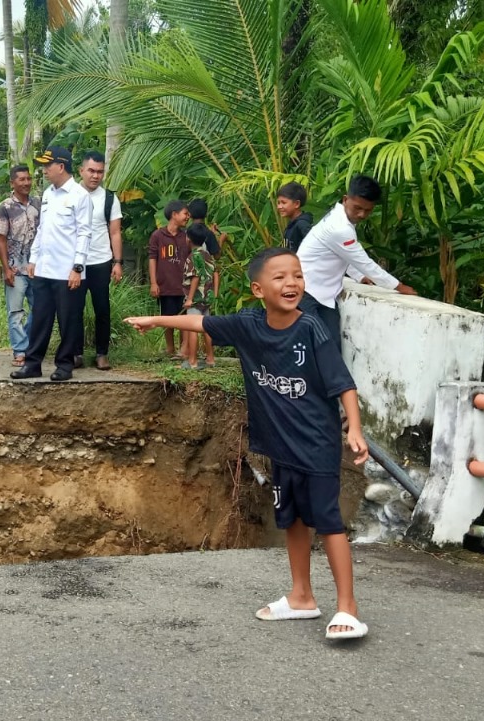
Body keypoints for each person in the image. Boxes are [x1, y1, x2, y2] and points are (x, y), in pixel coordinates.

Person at [125, 247, 371, 641]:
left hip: (317, 444)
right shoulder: (249, 325)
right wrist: (154, 320)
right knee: (290, 520)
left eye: (297, 275)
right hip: (280, 445)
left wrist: (354, 429)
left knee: (328, 523)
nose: (291, 283)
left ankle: (348, 607)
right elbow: (202, 324)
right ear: (258, 289)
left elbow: (343, 383)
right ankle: (301, 596)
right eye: (280, 277)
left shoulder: (311, 329)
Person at [296, 174, 416, 348]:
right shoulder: (339, 228)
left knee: (329, 346)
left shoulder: (339, 218)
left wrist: (359, 276)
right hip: (306, 292)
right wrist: (399, 287)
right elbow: (364, 263)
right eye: (358, 208)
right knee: (320, 347)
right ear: (346, 199)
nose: (362, 214)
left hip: (321, 293)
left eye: (368, 210)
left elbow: (343, 254)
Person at [10, 146, 92, 382]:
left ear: (61, 166)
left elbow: (84, 234)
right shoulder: (47, 194)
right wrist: (34, 259)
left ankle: (64, 365)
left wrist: (78, 268)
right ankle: (33, 363)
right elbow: (43, 230)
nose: (44, 170)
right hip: (44, 269)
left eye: (47, 166)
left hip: (68, 271)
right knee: (40, 318)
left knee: (68, 320)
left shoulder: (79, 195)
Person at [74, 151, 123, 370]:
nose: (95, 176)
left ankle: (102, 353)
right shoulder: (70, 195)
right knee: (73, 309)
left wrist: (118, 262)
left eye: (100, 172)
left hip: (101, 261)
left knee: (102, 308)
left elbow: (115, 232)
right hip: (74, 263)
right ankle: (75, 353)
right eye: (91, 171)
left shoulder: (110, 198)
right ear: (81, 171)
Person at [0, 164, 39, 367]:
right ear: (12, 182)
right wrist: (6, 268)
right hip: (15, 267)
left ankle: (30, 346)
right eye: (21, 179)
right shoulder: (5, 207)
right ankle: (20, 350)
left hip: (37, 267)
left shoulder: (39, 203)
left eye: (28, 179)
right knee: (16, 311)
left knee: (40, 309)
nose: (26, 182)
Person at [147, 200, 192, 360]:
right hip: (165, 284)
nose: (188, 217)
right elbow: (153, 258)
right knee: (167, 317)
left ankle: (183, 350)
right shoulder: (158, 236)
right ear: (174, 215)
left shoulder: (187, 236)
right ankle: (170, 348)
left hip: (184, 285)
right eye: (185, 213)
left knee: (183, 319)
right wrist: (153, 282)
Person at [180, 223, 219, 370]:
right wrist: (214, 294)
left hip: (196, 299)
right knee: (206, 328)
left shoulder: (192, 257)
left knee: (192, 329)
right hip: (207, 298)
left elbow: (195, 277)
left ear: (188, 239)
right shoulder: (207, 255)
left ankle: (192, 361)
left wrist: (189, 299)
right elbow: (216, 273)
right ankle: (210, 358)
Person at [276, 181, 313, 252]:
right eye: (278, 203)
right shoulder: (292, 224)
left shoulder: (302, 225)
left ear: (296, 204)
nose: (279, 206)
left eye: (283, 203)